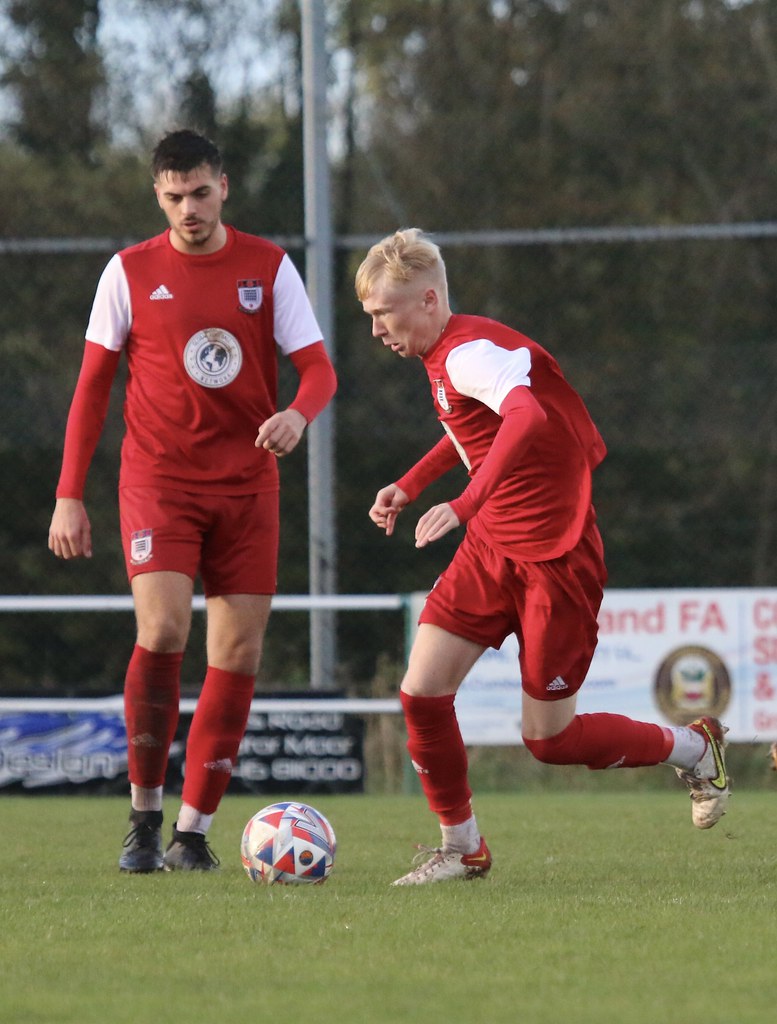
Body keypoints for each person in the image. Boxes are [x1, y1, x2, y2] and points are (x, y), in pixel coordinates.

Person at [355, 228, 729, 886]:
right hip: (493, 545)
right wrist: (410, 485)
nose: (377, 329)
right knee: (421, 693)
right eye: (370, 316)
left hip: (554, 554)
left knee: (548, 739)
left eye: (382, 313)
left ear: (427, 299)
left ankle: (695, 747)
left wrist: (463, 504)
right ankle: (460, 847)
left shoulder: (467, 351)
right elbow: (472, 427)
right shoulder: (445, 354)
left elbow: (524, 417)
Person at [48, 129, 337, 873]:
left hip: (248, 487)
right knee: (166, 629)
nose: (189, 209)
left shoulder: (268, 266)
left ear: (223, 186)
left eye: (200, 193)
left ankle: (193, 833)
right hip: (159, 482)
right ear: (158, 194)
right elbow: (90, 389)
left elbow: (317, 370)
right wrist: (68, 496)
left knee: (237, 652)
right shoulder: (129, 271)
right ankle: (144, 817)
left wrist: (296, 414)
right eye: (174, 197)